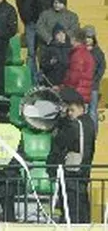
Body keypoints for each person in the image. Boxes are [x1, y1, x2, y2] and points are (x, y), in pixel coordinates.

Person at [48, 87, 96, 223]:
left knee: (71, 215)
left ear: (81, 108)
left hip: (72, 176)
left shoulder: (75, 125)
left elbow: (60, 142)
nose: (69, 113)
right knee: (81, 214)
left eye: (71, 110)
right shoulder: (89, 123)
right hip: (81, 176)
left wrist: (59, 123)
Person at [16, 0, 59, 76]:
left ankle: (44, 78)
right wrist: (24, 15)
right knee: (31, 52)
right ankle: (32, 79)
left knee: (45, 51)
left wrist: (51, 15)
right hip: (30, 20)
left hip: (45, 21)